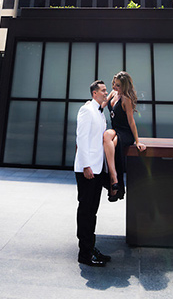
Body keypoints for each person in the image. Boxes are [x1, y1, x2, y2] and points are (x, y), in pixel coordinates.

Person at [74, 79, 111, 267]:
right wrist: (86, 166)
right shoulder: (86, 110)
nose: (106, 92)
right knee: (86, 211)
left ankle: (90, 247)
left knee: (92, 212)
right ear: (94, 93)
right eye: (103, 90)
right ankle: (85, 254)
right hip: (87, 170)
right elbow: (81, 138)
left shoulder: (98, 111)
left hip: (97, 169)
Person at [103, 71, 146, 201]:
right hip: (115, 129)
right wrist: (90, 104)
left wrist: (137, 141)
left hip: (125, 132)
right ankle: (113, 176)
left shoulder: (126, 99)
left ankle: (113, 181)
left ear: (125, 86)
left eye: (118, 86)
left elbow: (131, 121)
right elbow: (102, 105)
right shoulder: (113, 93)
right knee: (106, 135)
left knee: (112, 143)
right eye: (114, 84)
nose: (115, 87)